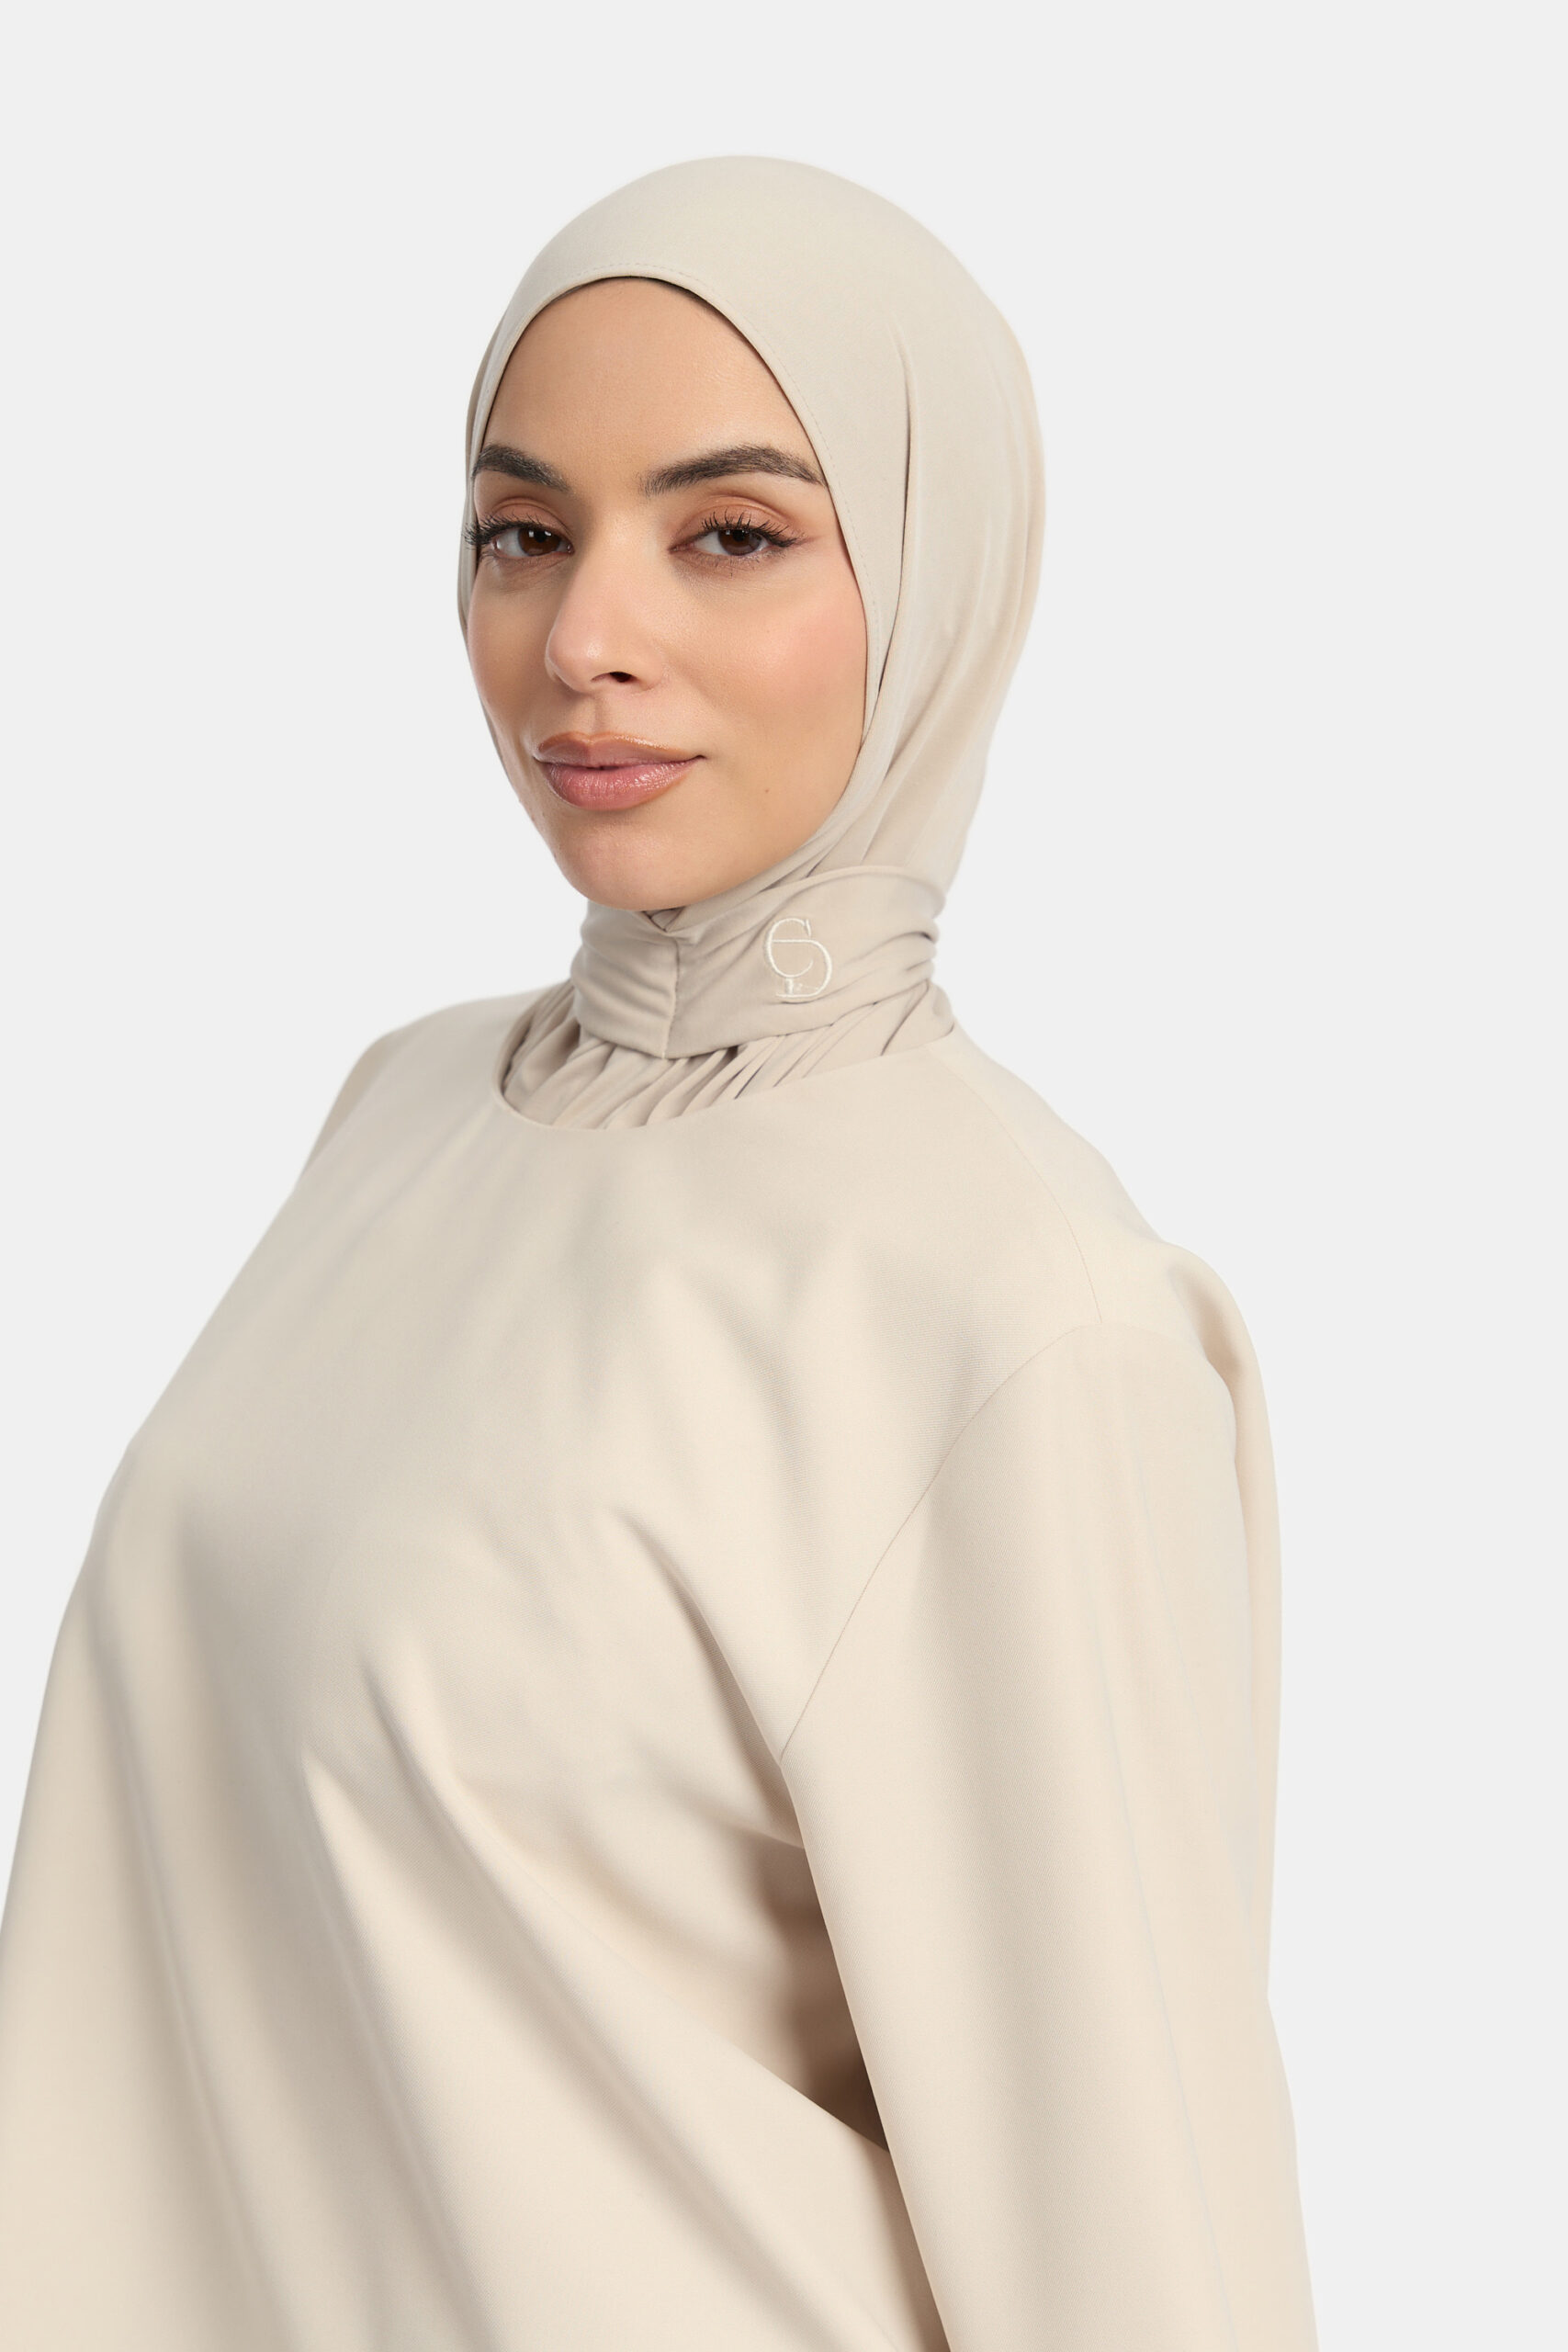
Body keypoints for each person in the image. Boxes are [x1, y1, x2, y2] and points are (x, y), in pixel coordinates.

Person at [0, 158, 1318, 2350]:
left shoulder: (1017, 1310)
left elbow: (1134, 2249)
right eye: (522, 531)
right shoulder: (404, 1110)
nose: (582, 639)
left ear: (934, 571)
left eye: (728, 533)